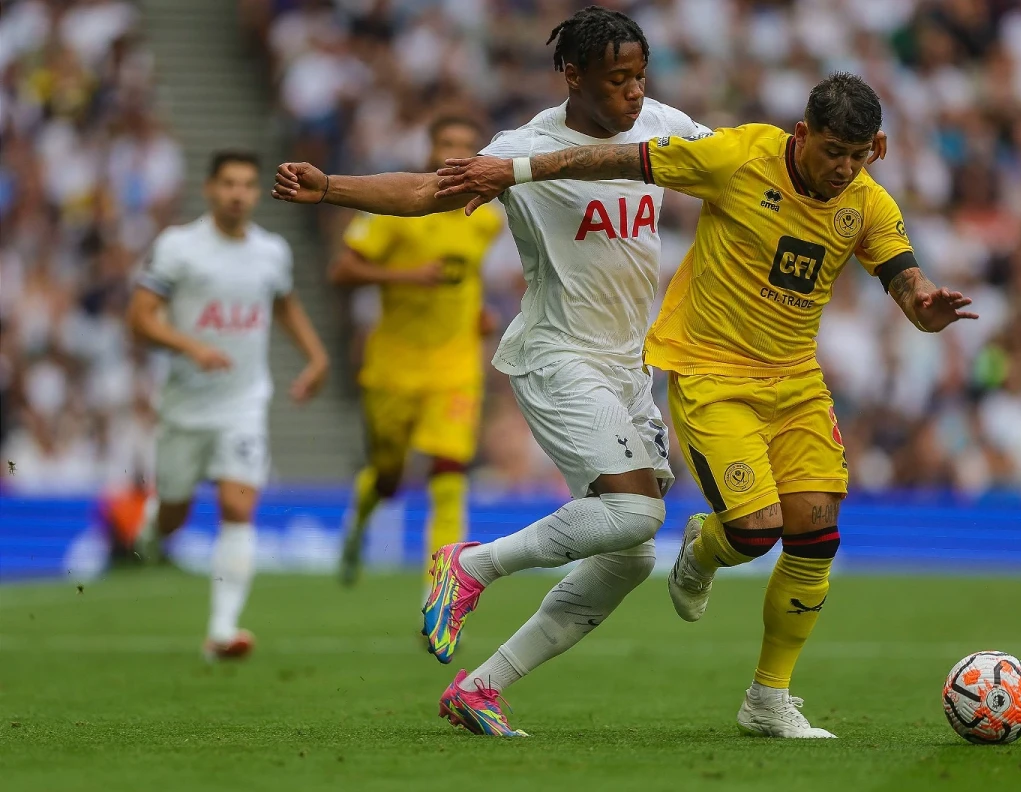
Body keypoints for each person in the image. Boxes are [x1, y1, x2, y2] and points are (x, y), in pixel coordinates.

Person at [433, 72, 975, 738]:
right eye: (831, 150)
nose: (842, 167)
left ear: (878, 149)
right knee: (754, 530)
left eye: (857, 155)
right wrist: (514, 170)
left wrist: (924, 306)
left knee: (816, 531)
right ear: (803, 134)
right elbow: (618, 158)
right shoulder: (738, 156)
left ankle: (768, 698)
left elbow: (904, 279)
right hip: (712, 374)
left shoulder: (867, 204)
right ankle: (703, 548)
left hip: (796, 382)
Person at [273, 6, 723, 737]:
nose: (634, 92)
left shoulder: (663, 124)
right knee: (636, 513)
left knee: (630, 554)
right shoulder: (524, 148)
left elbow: (739, 164)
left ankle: (480, 688)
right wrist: (330, 188)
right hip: (557, 355)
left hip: (627, 367)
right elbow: (428, 192)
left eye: (640, 76)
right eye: (617, 79)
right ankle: (471, 566)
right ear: (571, 75)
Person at [129, 150, 329, 662]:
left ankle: (222, 631)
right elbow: (141, 318)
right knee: (173, 515)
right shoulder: (178, 247)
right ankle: (148, 534)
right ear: (209, 189)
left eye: (246, 184)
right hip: (184, 406)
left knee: (238, 508)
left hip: (244, 403)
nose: (238, 193)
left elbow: (284, 303)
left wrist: (315, 357)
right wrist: (190, 346)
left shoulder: (271, 251)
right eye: (228, 184)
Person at [329, 115, 504, 588]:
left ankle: (441, 592)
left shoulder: (483, 220)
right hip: (392, 366)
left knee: (450, 475)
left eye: (465, 146)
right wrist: (406, 277)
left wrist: (479, 313)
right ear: (428, 149)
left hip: (455, 365)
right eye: (445, 143)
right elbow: (341, 272)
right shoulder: (393, 211)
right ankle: (357, 527)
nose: (454, 153)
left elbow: (466, 279)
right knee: (387, 478)